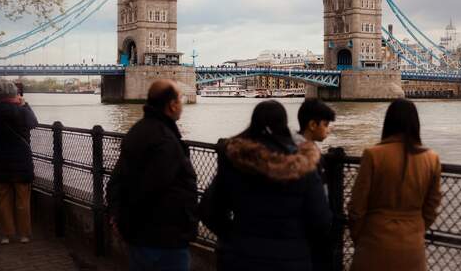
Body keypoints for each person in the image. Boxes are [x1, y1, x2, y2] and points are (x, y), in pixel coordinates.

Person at [198, 100, 332, 271]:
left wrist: (232, 236)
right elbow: (321, 220)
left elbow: (208, 210)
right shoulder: (303, 166)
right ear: (284, 125)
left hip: (241, 258)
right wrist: (298, 242)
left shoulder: (235, 163)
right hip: (290, 260)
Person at [106, 80, 198, 271]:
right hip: (166, 240)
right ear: (172, 105)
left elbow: (116, 181)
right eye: (180, 99)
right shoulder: (167, 141)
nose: (182, 104)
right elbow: (152, 189)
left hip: (139, 238)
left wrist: (119, 217)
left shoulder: (136, 131)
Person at [348, 99, 442, 271]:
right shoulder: (431, 159)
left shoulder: (373, 155)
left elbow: (357, 206)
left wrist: (360, 237)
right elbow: (432, 207)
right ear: (416, 124)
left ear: (388, 122)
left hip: (374, 242)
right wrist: (416, 228)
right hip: (412, 247)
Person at [0, 80, 39, 245]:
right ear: (15, 94)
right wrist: (25, 104)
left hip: (0, 159)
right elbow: (34, 123)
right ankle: (24, 234)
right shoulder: (22, 111)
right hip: (21, 160)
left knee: (3, 199)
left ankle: (6, 235)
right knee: (22, 199)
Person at [293, 99, 336, 271]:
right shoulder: (303, 156)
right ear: (312, 125)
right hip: (308, 237)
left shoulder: (292, 149)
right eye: (325, 124)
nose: (328, 129)